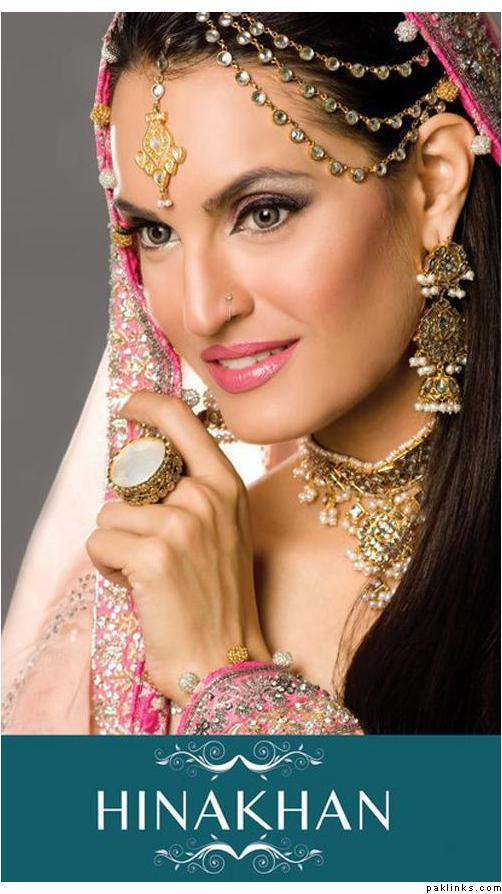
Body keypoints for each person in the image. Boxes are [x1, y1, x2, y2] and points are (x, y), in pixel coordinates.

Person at [2, 12, 500, 735]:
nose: (201, 309)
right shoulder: (159, 582)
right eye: (156, 232)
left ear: (434, 182)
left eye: (263, 213)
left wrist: (223, 678)